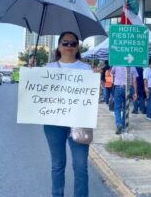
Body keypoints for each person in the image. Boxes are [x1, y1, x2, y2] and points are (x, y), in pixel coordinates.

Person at [44, 31, 91, 197]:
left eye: (73, 43)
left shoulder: (87, 69)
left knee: (80, 166)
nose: (69, 46)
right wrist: (31, 73)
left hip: (79, 123)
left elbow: (90, 97)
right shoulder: (47, 69)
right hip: (53, 123)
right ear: (59, 46)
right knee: (57, 165)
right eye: (65, 43)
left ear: (78, 47)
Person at [111, 66, 138, 134]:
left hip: (118, 87)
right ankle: (123, 125)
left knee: (117, 108)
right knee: (126, 108)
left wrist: (114, 80)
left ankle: (119, 124)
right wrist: (135, 92)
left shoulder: (116, 64)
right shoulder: (132, 66)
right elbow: (134, 81)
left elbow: (111, 73)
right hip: (129, 88)